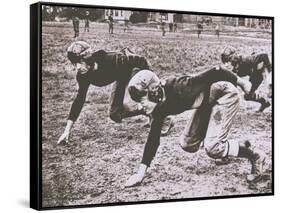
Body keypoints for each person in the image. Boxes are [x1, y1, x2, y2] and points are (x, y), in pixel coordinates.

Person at [125, 67, 266, 187]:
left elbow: (216, 71)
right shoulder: (159, 107)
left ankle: (254, 154)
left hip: (224, 95)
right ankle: (229, 146)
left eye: (143, 97)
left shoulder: (179, 87)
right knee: (188, 144)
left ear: (154, 90)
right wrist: (140, 173)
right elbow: (153, 139)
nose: (141, 104)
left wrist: (241, 82)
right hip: (207, 102)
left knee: (213, 148)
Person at [57, 41, 173, 144]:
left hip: (136, 68)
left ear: (88, 58)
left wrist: (146, 85)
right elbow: (79, 100)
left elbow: (140, 61)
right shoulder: (83, 75)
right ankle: (151, 114)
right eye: (74, 64)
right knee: (115, 114)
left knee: (129, 104)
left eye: (80, 62)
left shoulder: (113, 59)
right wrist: (67, 131)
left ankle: (164, 117)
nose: (77, 67)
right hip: (121, 76)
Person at [221, 47, 272, 112]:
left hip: (264, 69)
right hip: (255, 76)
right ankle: (265, 103)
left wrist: (268, 72)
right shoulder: (235, 69)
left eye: (230, 58)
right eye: (228, 61)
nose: (230, 62)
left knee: (269, 88)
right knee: (248, 96)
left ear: (235, 54)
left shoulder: (245, 59)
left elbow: (264, 55)